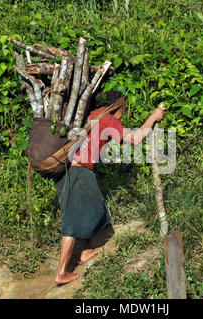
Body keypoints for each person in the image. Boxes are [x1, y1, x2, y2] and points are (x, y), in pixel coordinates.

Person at [54, 92, 166, 284]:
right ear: (118, 109)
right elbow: (135, 139)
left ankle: (86, 251)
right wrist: (153, 117)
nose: (122, 117)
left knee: (97, 208)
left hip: (69, 170)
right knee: (72, 221)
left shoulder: (93, 114)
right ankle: (61, 272)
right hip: (78, 172)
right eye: (122, 112)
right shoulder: (109, 119)